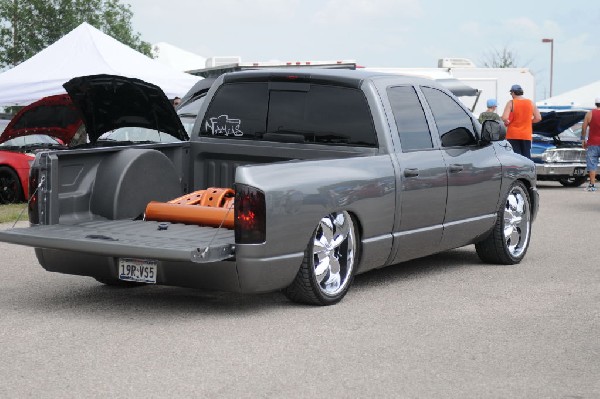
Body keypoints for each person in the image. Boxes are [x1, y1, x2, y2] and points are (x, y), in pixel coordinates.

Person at [501, 84, 542, 159]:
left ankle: (515, 170)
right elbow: (538, 118)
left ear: (513, 93)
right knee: (526, 156)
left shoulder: (511, 103)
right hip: (526, 135)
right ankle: (527, 170)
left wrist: (507, 121)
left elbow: (504, 117)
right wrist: (528, 121)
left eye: (511, 93)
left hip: (513, 134)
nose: (511, 95)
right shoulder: (531, 103)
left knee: (515, 157)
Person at [580, 97, 600, 192]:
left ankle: (592, 185)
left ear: (596, 104)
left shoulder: (590, 114)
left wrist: (583, 140)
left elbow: (584, 128)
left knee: (592, 164)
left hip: (593, 143)